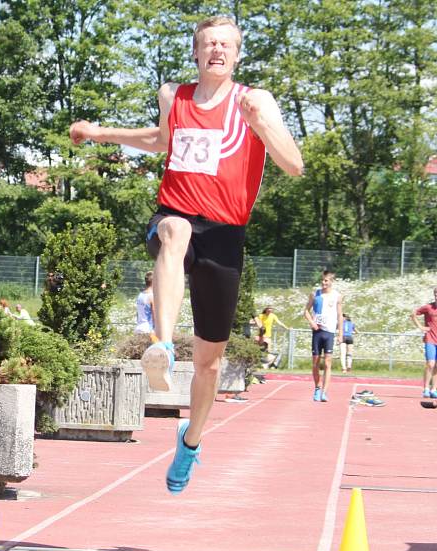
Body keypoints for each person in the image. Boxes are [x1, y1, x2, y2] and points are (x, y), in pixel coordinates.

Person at [69, 15, 303, 494]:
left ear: (236, 55)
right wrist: (99, 133)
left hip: (225, 233)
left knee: (210, 363)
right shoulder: (172, 95)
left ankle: (191, 440)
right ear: (196, 53)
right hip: (177, 214)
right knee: (173, 231)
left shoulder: (253, 101)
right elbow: (161, 140)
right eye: (208, 43)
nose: (216, 50)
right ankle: (162, 343)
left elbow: (293, 165)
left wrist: (262, 124)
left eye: (225, 44)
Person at [304, 270, 343, 402]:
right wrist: (312, 322)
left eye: (326, 280)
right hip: (317, 332)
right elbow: (306, 311)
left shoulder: (337, 296)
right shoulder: (315, 294)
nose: (323, 282)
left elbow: (339, 316)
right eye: (322, 280)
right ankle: (317, 388)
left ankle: (324, 392)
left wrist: (340, 334)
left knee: (327, 363)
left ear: (332, 281)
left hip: (329, 332)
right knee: (315, 362)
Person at [410, 287, 437, 402]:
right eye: (436, 294)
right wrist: (421, 327)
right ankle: (426, 388)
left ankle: (434, 390)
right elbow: (413, 314)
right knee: (430, 364)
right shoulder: (428, 307)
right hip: (430, 339)